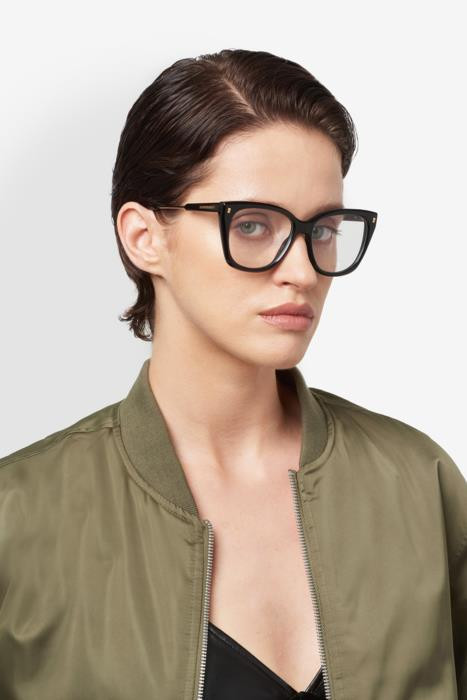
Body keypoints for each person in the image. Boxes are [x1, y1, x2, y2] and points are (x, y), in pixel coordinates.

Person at [0, 48, 465, 700]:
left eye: (322, 229)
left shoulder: (419, 482)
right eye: (251, 225)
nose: (301, 270)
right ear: (144, 237)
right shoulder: (19, 517)